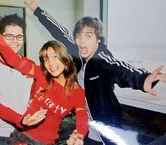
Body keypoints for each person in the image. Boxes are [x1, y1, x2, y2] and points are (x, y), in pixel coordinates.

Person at [24, 0, 166, 144]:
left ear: (98, 39)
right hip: (86, 126)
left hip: (107, 127)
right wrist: (37, 10)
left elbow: (121, 69)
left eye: (88, 36)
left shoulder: (102, 60)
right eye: (78, 36)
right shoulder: (77, 52)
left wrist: (144, 79)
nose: (82, 41)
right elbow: (59, 31)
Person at [0, 11, 89, 145]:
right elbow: (13, 59)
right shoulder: (41, 74)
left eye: (55, 57)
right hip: (21, 136)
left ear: (64, 59)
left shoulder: (76, 91)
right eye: (46, 59)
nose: (51, 64)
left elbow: (82, 116)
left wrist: (80, 134)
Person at [0, 13, 35, 145]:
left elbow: (33, 95)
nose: (15, 41)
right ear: (0, 37)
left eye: (19, 36)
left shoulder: (30, 65)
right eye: (9, 36)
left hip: (22, 132)